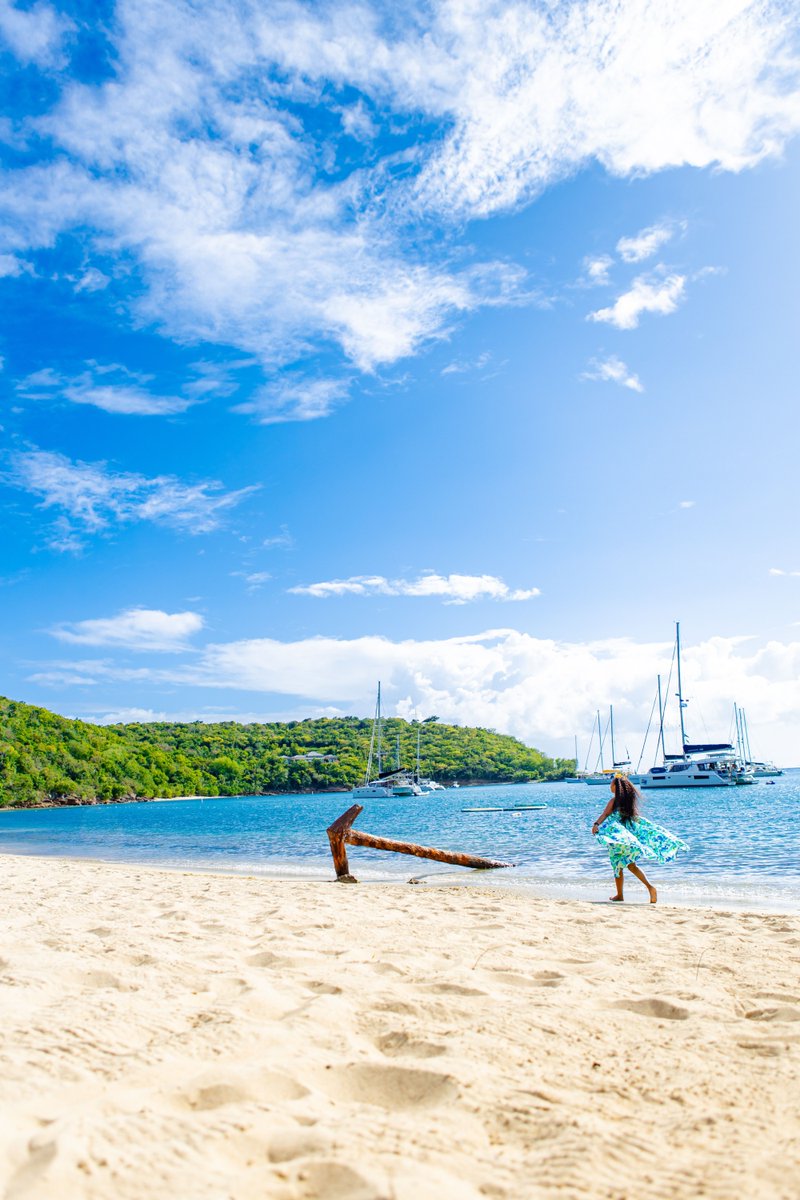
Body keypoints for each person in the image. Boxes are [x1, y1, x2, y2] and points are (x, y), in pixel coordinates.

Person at [591, 774, 688, 903]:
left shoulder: (614, 801)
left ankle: (622, 894)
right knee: (631, 865)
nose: (610, 785)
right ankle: (646, 888)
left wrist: (596, 825)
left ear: (616, 787)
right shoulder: (628, 802)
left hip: (618, 838)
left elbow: (605, 814)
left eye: (612, 783)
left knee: (617, 865)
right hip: (628, 838)